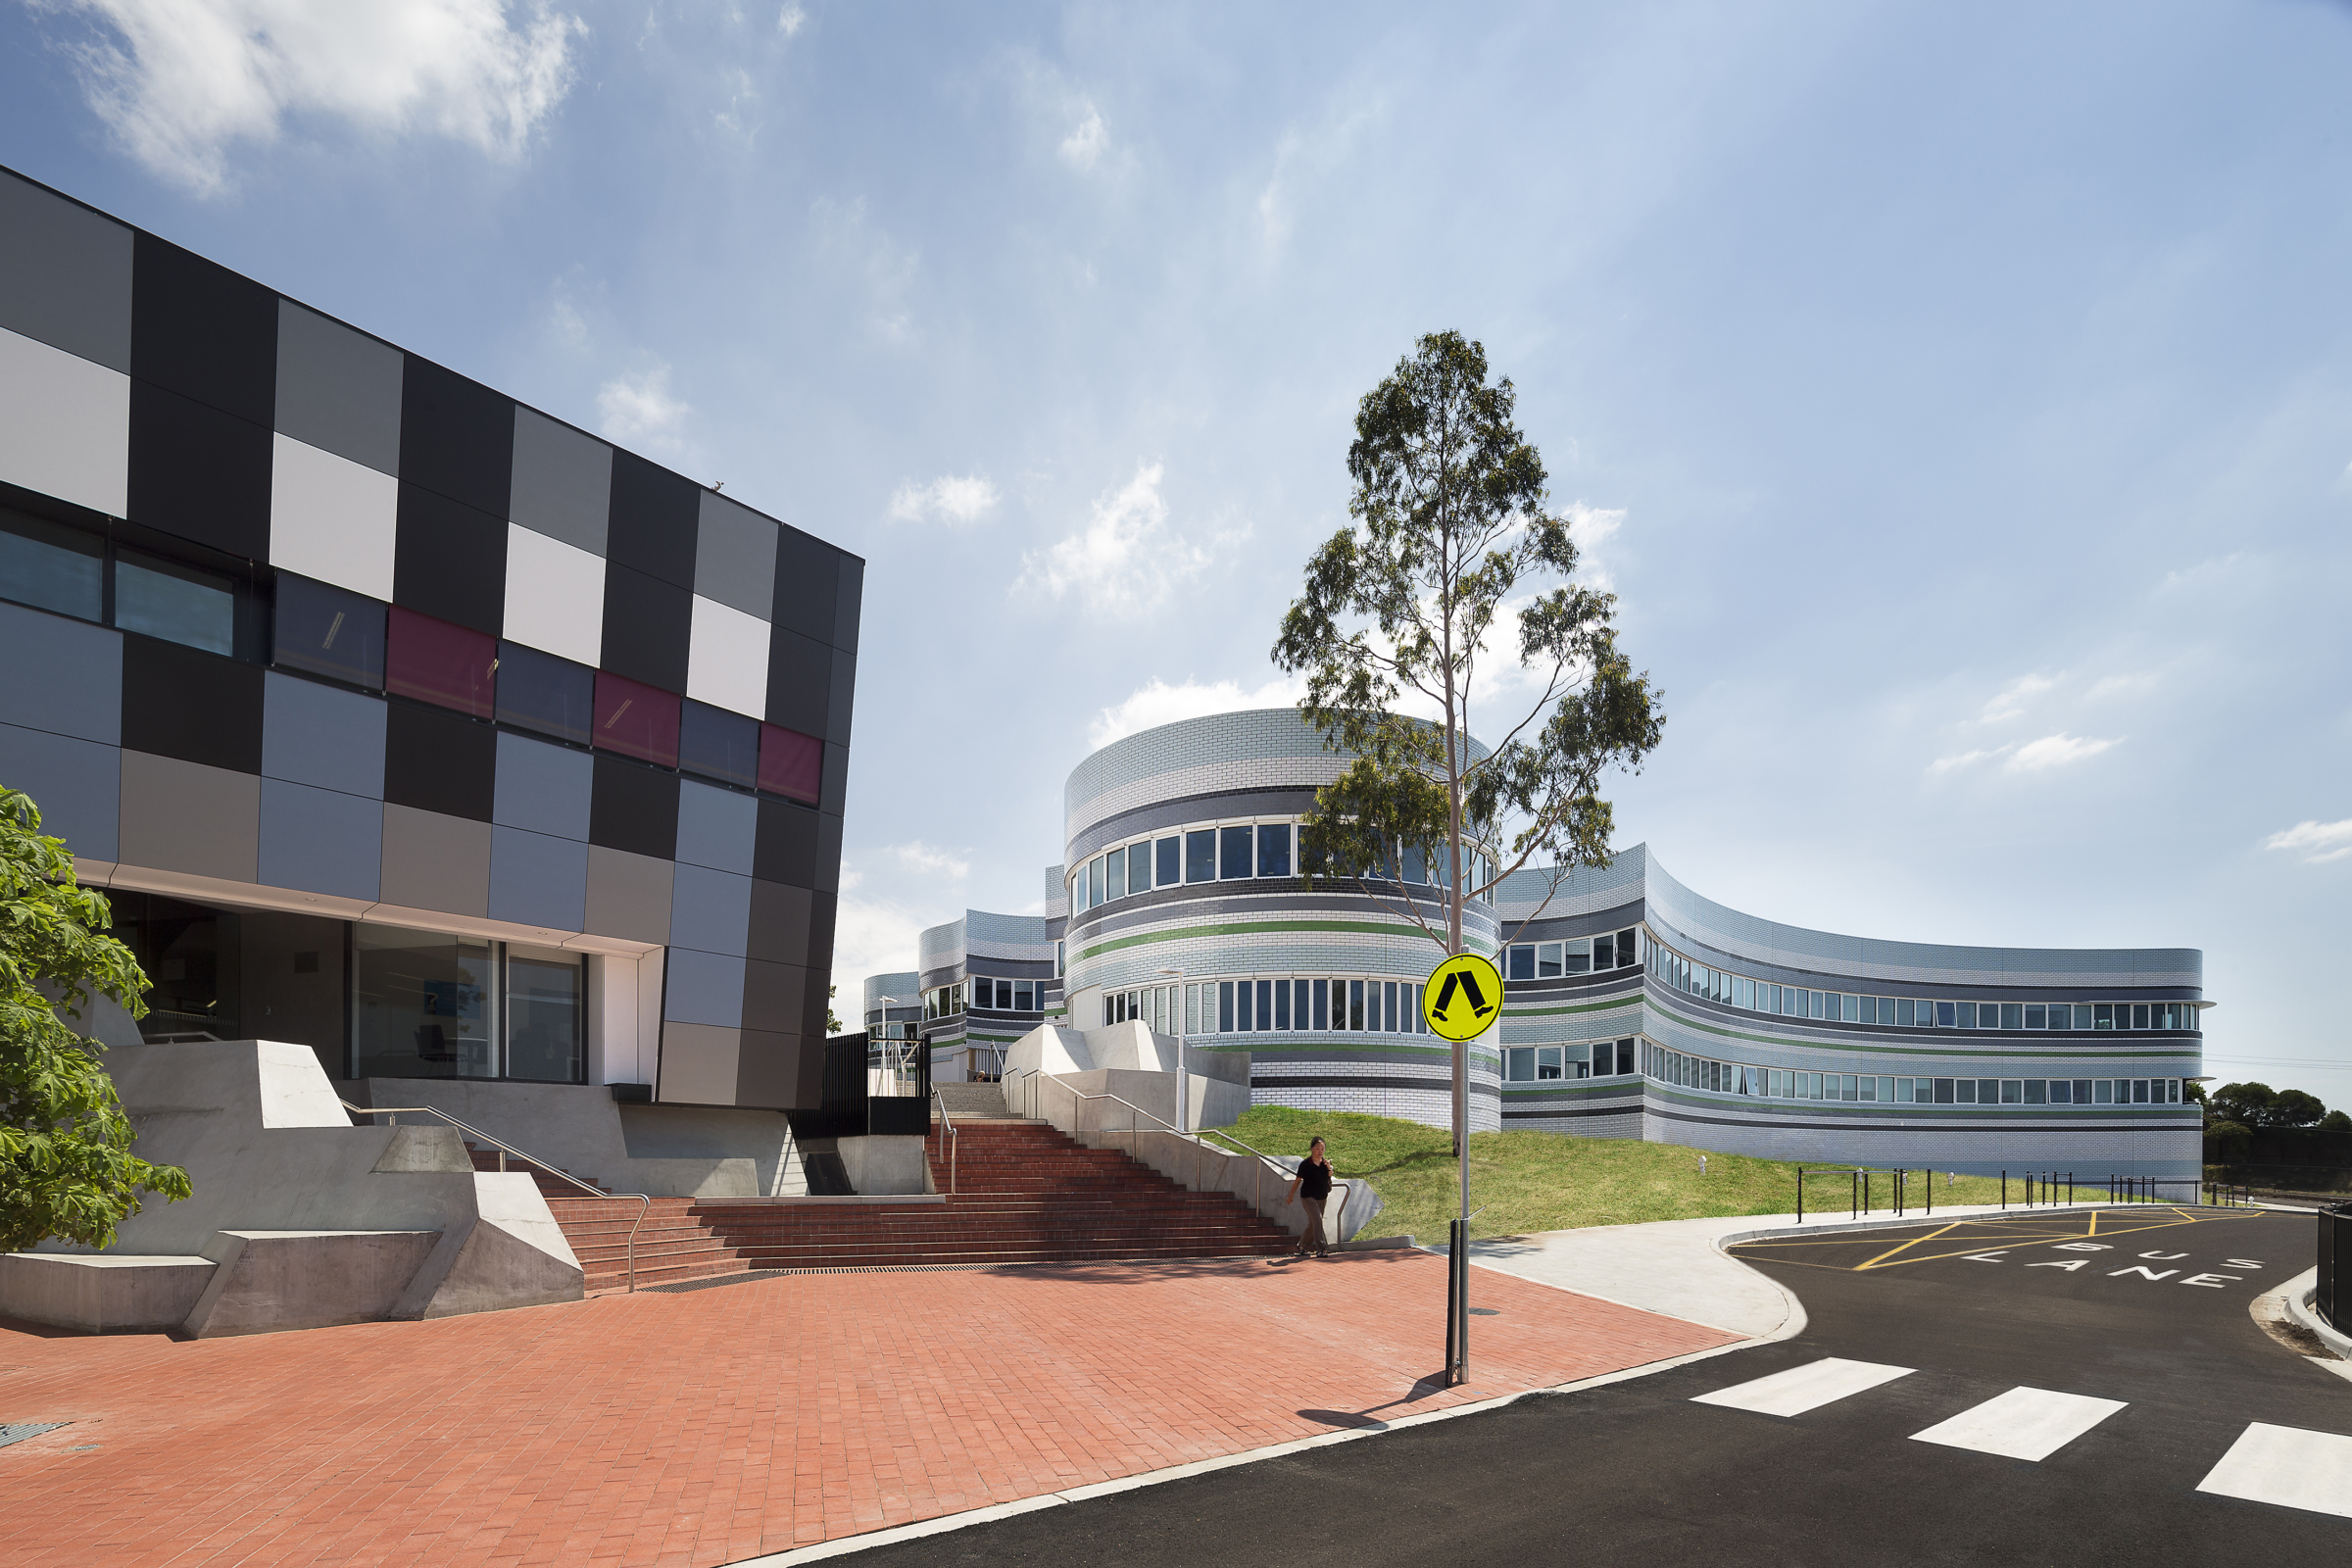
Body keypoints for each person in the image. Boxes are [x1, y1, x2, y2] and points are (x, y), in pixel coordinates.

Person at [1286, 1136, 1337, 1258]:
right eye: (1318, 1148)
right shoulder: (1305, 1164)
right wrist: (1290, 1196)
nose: (1320, 1151)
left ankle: (1302, 1245)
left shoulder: (1325, 1164)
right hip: (1308, 1197)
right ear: (1312, 1149)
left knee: (1313, 1223)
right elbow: (1297, 1181)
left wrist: (1329, 1167)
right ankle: (1321, 1249)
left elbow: (1329, 1175)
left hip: (1322, 1197)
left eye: (1322, 1149)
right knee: (1318, 1220)